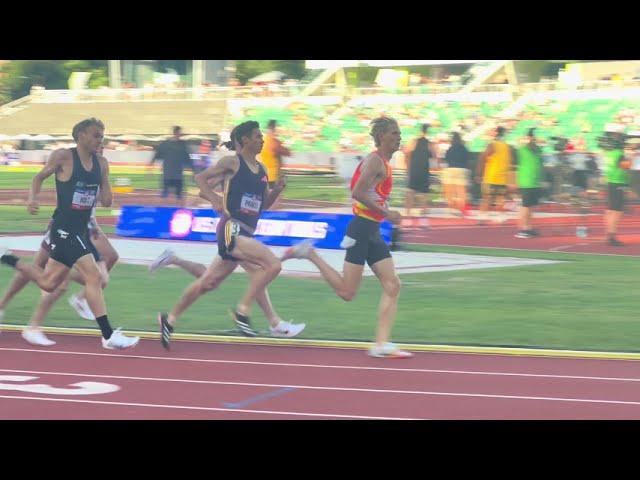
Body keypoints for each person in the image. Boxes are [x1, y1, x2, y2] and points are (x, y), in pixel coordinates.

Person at [150, 125, 304, 339]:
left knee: (208, 282)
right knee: (272, 265)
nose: (262, 141)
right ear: (244, 140)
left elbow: (263, 206)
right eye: (258, 137)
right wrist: (214, 199)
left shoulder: (262, 170)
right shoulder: (232, 162)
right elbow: (200, 179)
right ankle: (244, 311)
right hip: (232, 228)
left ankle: (170, 319)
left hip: (247, 231)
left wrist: (277, 190)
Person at [0, 118, 139, 350]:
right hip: (64, 228)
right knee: (94, 276)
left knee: (47, 283)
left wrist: (105, 180)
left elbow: (106, 201)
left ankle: (6, 257)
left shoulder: (101, 163)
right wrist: (32, 198)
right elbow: (38, 177)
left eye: (102, 136)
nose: (100, 140)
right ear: (81, 135)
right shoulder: (64, 157)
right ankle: (108, 335)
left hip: (82, 230)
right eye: (96, 135)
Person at [281, 117, 411, 359]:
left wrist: (383, 212)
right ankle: (310, 254)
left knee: (393, 285)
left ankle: (381, 345)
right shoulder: (375, 161)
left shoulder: (383, 162)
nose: (399, 137)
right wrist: (387, 213)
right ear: (382, 136)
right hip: (361, 229)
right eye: (394, 133)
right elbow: (358, 192)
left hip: (371, 230)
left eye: (399, 133)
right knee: (347, 292)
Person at [475, 126, 515, 224]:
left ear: (495, 133)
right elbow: (511, 162)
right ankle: (501, 218)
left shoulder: (492, 145)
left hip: (491, 176)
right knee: (500, 199)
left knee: (486, 198)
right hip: (502, 177)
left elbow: (482, 158)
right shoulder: (507, 147)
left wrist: (478, 174)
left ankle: (482, 218)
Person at [149, 126, 194, 204]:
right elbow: (157, 154)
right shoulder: (166, 143)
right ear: (176, 133)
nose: (180, 134)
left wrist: (192, 170)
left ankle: (178, 209)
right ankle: (163, 212)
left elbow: (187, 157)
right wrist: (151, 165)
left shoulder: (182, 144)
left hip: (178, 174)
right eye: (179, 132)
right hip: (168, 173)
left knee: (179, 195)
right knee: (164, 194)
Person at [514, 129, 544, 238]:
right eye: (532, 137)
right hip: (526, 182)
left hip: (535, 182)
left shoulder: (537, 150)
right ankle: (523, 228)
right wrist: (527, 138)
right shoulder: (523, 149)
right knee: (525, 206)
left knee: (530, 207)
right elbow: (519, 142)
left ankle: (529, 227)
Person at [604, 133, 631, 246]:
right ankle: (612, 236)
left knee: (610, 210)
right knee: (617, 211)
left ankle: (609, 234)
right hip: (619, 183)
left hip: (610, 182)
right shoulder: (620, 154)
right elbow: (626, 168)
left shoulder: (609, 153)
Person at [404, 123, 436, 216]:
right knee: (424, 194)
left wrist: (408, 168)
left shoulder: (413, 141)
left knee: (410, 192)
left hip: (414, 170)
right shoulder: (430, 144)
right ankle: (423, 215)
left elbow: (407, 155)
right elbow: (435, 157)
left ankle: (408, 214)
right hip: (424, 170)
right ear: (428, 131)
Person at [442, 132, 471, 217]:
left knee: (450, 192)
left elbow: (446, 159)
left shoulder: (450, 148)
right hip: (461, 170)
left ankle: (451, 210)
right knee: (461, 193)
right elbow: (468, 160)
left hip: (450, 169)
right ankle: (461, 211)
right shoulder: (464, 148)